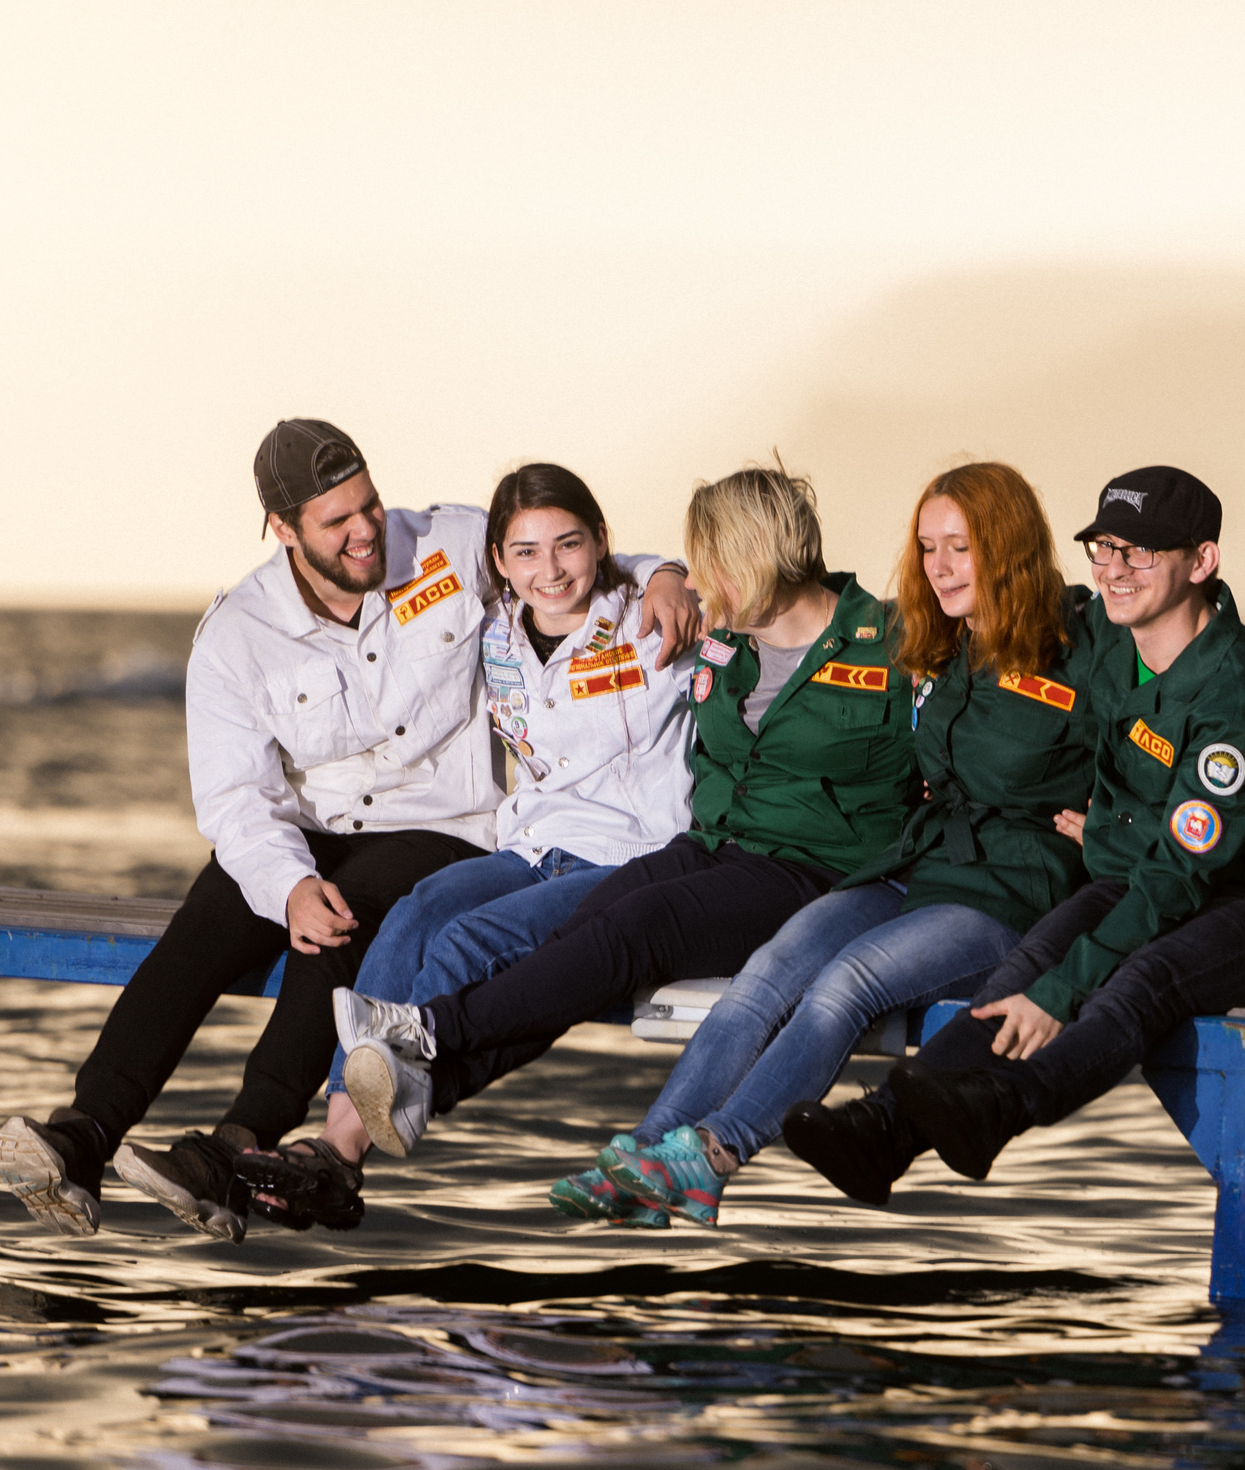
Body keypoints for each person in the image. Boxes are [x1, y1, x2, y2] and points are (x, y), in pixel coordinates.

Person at [0, 420, 695, 1241]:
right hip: (312, 829)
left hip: (443, 824)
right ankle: (86, 1132)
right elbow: (235, 799)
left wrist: (669, 575)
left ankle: (237, 1145)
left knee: (343, 916)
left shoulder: (449, 544)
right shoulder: (237, 634)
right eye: (338, 521)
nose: (367, 531)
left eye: (369, 504)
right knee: (211, 915)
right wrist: (284, 881)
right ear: (282, 529)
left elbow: (571, 561)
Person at [324, 463, 920, 1188]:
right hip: (715, 847)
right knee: (579, 931)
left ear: (751, 556)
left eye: (709, 564)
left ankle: (425, 1038)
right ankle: (396, 1092)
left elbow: (962, 742)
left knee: (625, 926)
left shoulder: (890, 643)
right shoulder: (729, 638)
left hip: (815, 867)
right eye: (693, 566)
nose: (697, 580)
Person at [780, 465, 1245, 1204]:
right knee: (1037, 953)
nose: (1114, 570)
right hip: (1151, 865)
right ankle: (883, 1132)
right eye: (1103, 548)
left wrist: (1064, 987)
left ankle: (1005, 1107)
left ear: (1201, 561)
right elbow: (1039, 677)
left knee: (1136, 981)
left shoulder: (1233, 695)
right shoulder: (1116, 643)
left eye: (1139, 553)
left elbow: (1178, 877)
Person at [560, 460, 1103, 1227]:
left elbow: (1184, 696)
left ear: (1009, 549)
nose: (939, 567)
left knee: (846, 983)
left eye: (960, 547)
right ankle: (647, 1158)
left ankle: (712, 1155)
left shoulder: (1085, 644)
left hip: (1007, 888)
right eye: (928, 547)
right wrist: (676, 578)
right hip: (916, 862)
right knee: (769, 969)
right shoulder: (931, 638)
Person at [236, 462, 698, 1231]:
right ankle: (348, 1126)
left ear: (600, 543)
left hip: (629, 853)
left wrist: (669, 573)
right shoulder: (497, 634)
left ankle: (340, 1146)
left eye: (569, 545)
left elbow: (701, 601)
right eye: (524, 551)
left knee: (472, 937)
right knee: (416, 910)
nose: (549, 569)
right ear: (497, 563)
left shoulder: (650, 620)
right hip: (532, 843)